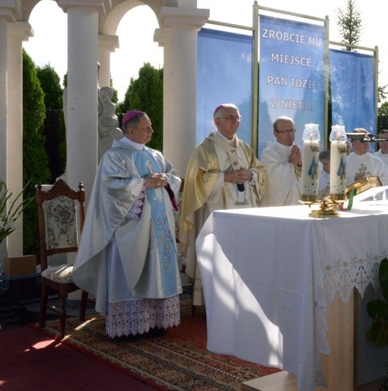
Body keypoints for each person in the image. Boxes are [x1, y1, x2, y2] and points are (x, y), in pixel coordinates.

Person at [73, 110, 183, 338]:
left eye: (150, 127)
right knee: (132, 270)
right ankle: (130, 326)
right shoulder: (114, 156)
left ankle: (155, 321)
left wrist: (166, 180)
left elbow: (174, 177)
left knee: (157, 271)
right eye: (146, 127)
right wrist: (142, 183)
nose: (151, 131)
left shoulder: (155, 155)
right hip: (130, 231)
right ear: (130, 130)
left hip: (158, 226)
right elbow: (111, 189)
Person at [179, 103, 265, 306]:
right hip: (217, 214)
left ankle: (243, 300)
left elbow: (260, 171)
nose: (235, 122)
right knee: (219, 259)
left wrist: (250, 175)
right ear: (217, 122)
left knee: (244, 258)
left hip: (246, 213)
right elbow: (195, 181)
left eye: (237, 118)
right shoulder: (205, 149)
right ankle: (216, 304)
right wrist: (223, 178)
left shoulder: (244, 147)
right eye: (230, 118)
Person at [260, 116, 301, 206]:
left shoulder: (300, 151)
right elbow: (273, 179)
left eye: (292, 130)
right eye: (285, 131)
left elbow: (312, 177)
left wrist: (301, 165)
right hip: (279, 207)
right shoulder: (269, 153)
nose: (290, 134)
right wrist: (292, 165)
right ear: (275, 134)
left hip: (299, 204)